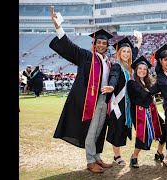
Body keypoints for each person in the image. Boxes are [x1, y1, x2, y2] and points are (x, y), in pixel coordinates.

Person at [49, 5, 113, 173]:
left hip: (104, 101)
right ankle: (90, 161)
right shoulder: (86, 57)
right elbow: (70, 48)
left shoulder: (108, 62)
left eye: (103, 43)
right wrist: (58, 26)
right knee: (91, 130)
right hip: (89, 100)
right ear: (94, 43)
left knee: (100, 129)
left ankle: (97, 156)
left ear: (107, 46)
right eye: (98, 42)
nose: (100, 45)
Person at [127, 55, 166, 168]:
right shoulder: (132, 83)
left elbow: (149, 95)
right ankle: (134, 157)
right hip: (140, 114)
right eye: (140, 68)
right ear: (136, 70)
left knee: (164, 130)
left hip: (153, 112)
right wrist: (156, 87)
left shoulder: (149, 83)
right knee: (142, 135)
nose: (142, 71)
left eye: (145, 69)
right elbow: (143, 96)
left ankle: (159, 153)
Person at [101, 37, 135, 166]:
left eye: (128, 52)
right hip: (118, 104)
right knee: (117, 129)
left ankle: (118, 154)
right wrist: (112, 86)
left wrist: (138, 42)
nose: (126, 54)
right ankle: (117, 156)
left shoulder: (129, 67)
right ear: (119, 53)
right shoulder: (117, 65)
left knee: (122, 129)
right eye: (123, 51)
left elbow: (135, 52)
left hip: (127, 104)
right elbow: (114, 76)